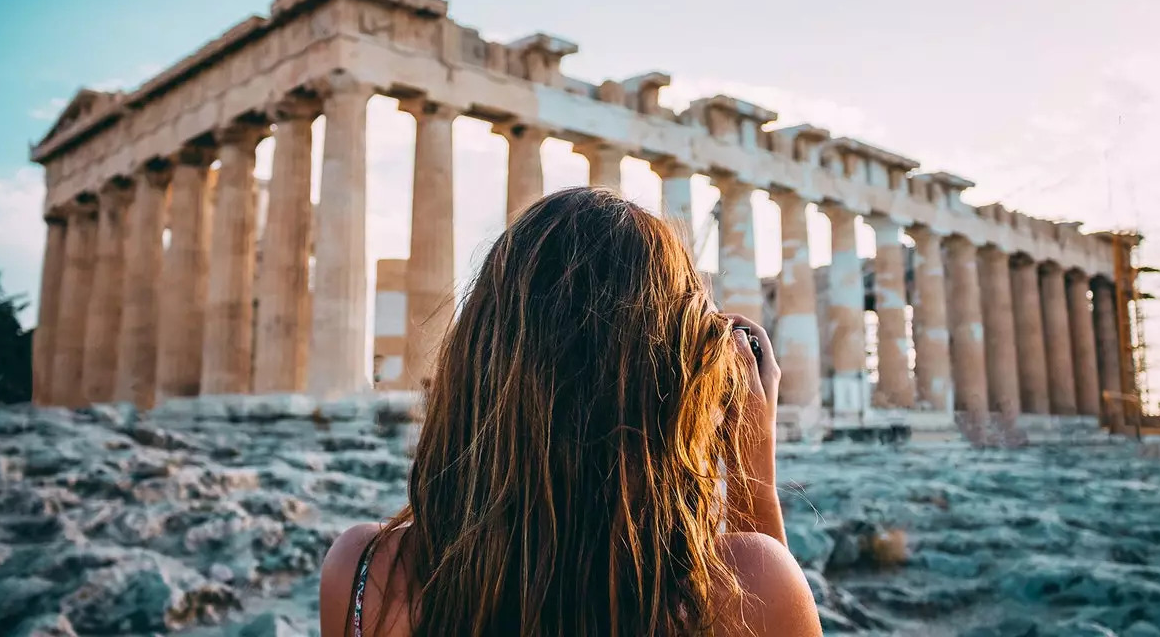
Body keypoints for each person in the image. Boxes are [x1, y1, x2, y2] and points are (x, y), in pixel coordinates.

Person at [320, 187, 822, 637]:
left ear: (478, 354)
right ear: (674, 381)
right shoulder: (749, 583)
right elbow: (755, 595)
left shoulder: (362, 573)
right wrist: (751, 461)